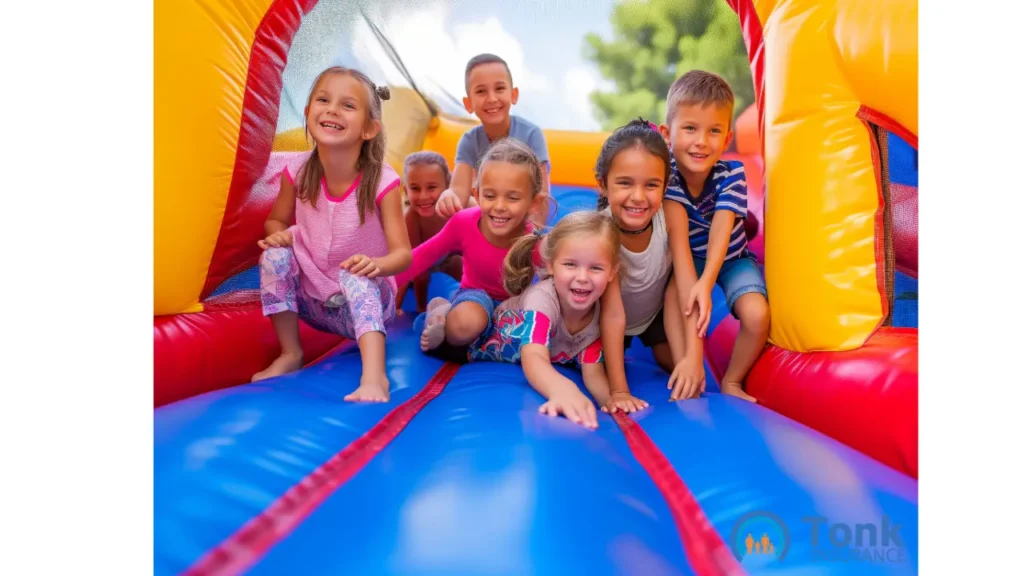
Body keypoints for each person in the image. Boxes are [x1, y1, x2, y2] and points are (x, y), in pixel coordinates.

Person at [253, 66, 411, 404]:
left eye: (348, 105)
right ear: (308, 112)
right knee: (274, 257)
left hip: (364, 303)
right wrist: (277, 236)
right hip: (313, 301)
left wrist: (376, 265)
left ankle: (374, 377)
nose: (332, 110)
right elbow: (275, 222)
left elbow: (403, 255)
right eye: (323, 100)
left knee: (355, 275)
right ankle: (290, 352)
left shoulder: (382, 182)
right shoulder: (296, 170)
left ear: (370, 128)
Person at [472, 211, 648, 429]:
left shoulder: (597, 317)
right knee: (461, 326)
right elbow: (534, 356)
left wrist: (612, 402)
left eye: (596, 268)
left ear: (612, 272)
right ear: (551, 265)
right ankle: (438, 314)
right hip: (481, 331)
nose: (582, 277)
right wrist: (561, 389)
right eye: (570, 265)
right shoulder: (543, 300)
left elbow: (593, 372)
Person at [661, 70, 770, 403]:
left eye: (714, 131)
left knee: (757, 315)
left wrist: (707, 283)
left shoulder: (732, 174)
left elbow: (723, 231)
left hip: (732, 258)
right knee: (674, 299)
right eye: (690, 128)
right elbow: (679, 249)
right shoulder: (668, 178)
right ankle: (687, 366)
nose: (701, 141)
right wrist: (695, 355)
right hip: (688, 257)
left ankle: (733, 380)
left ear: (726, 140)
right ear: (668, 133)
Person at [394, 138, 545, 359]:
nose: (500, 206)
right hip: (474, 299)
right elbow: (421, 257)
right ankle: (440, 316)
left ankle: (446, 317)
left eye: (512, 198)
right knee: (467, 325)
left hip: (513, 308)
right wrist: (380, 286)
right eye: (490, 196)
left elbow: (556, 279)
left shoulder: (533, 240)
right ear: (477, 194)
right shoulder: (464, 223)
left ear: (533, 203)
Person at [596, 119, 711, 404]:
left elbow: (687, 286)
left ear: (665, 185)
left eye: (651, 185)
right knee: (594, 369)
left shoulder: (672, 214)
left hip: (653, 317)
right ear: (603, 185)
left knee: (683, 371)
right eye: (624, 183)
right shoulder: (602, 230)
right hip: (603, 321)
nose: (638, 197)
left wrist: (693, 359)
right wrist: (619, 390)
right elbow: (611, 314)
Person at [433, 53, 551, 225]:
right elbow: (459, 190)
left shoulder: (531, 135)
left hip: (523, 222)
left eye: (500, 88)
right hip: (492, 222)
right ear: (468, 104)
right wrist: (450, 196)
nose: (492, 99)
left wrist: (531, 235)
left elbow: (541, 196)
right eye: (481, 91)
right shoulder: (469, 140)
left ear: (514, 94)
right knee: (469, 204)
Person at [396, 151, 463, 313]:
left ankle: (473, 301)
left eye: (432, 187)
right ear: (406, 190)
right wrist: (397, 307)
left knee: (463, 265)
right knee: (419, 272)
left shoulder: (460, 206)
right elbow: (410, 263)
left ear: (448, 187)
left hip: (449, 258)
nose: (423, 196)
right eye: (415, 189)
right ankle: (420, 309)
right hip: (423, 261)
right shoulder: (411, 217)